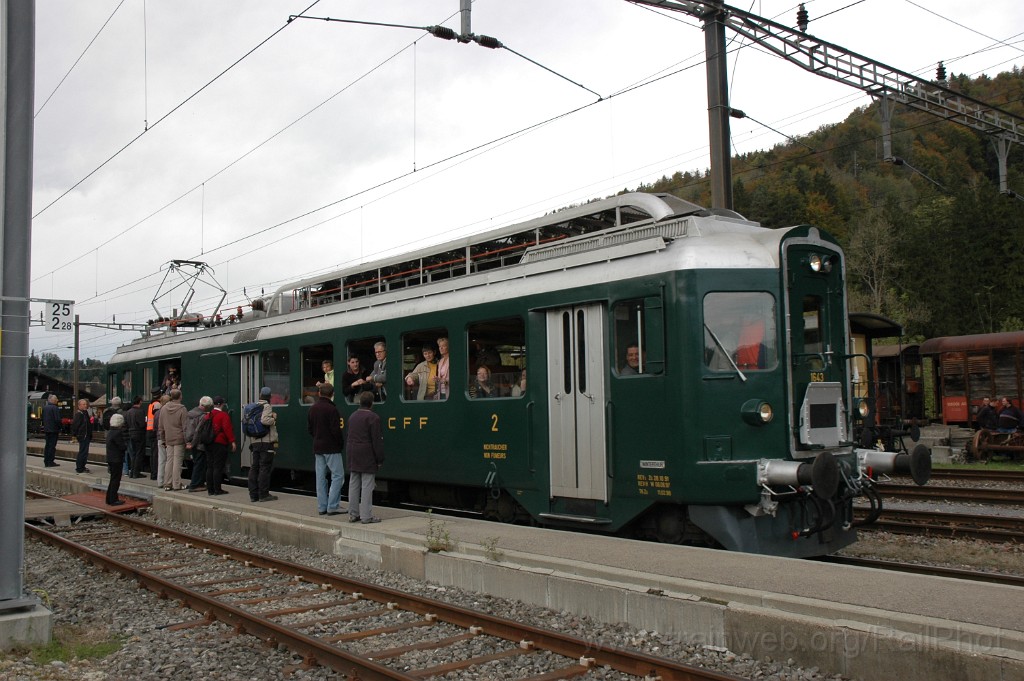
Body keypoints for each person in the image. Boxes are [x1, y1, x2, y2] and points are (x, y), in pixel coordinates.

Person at [346, 390, 384, 524]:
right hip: (367, 454)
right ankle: (366, 516)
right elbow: (377, 440)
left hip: (352, 452)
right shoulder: (373, 418)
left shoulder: (352, 416)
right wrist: (379, 459)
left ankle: (353, 514)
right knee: (367, 485)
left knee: (354, 484)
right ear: (371, 403)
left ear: (360, 402)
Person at [307, 383, 345, 516]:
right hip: (331, 447)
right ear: (332, 394)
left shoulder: (313, 409)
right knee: (338, 476)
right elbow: (336, 430)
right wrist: (340, 444)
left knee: (320, 477)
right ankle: (333, 506)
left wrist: (318, 437)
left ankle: (322, 506)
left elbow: (310, 429)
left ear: (319, 393)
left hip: (318, 446)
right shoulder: (332, 409)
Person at [246, 386, 279, 503]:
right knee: (264, 468)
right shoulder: (267, 406)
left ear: (260, 395)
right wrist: (273, 419)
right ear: (269, 397)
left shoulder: (253, 407)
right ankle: (263, 494)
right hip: (266, 441)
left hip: (255, 441)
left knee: (254, 467)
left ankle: (253, 495)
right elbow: (265, 420)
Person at [158, 389, 188, 490]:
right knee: (177, 462)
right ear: (180, 397)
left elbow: (161, 427)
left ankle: (167, 483)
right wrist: (187, 440)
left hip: (168, 438)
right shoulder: (182, 409)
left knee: (169, 461)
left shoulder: (163, 409)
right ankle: (176, 484)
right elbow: (185, 427)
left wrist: (163, 439)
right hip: (179, 438)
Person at [206, 396, 236, 495]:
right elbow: (227, 429)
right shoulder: (223, 415)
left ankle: (210, 489)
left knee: (210, 466)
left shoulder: (208, 415)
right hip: (219, 443)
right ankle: (217, 489)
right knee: (218, 467)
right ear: (221, 404)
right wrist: (232, 441)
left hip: (208, 443)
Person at [184, 396, 213, 492]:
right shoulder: (203, 416)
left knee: (197, 463)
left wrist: (187, 441)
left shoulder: (190, 413)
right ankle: (195, 485)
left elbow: (185, 429)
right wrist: (193, 443)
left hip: (190, 441)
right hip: (199, 444)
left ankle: (198, 483)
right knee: (200, 464)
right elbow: (198, 431)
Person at [104, 413, 128, 506]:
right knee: (116, 480)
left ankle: (109, 498)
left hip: (111, 458)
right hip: (116, 459)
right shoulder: (118, 433)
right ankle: (113, 499)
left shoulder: (110, 431)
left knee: (112, 479)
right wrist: (125, 445)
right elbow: (122, 446)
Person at [126, 396, 147, 478]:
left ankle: (132, 472)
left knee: (133, 453)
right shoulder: (140, 411)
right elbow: (142, 424)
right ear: (140, 402)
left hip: (131, 433)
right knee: (139, 453)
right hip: (139, 433)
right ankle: (136, 472)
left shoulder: (129, 412)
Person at [154, 394, 171, 487]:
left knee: (161, 460)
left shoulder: (157, 413)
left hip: (159, 438)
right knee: (169, 460)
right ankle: (167, 481)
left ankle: (160, 481)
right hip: (167, 438)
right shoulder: (168, 412)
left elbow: (155, 426)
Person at [71, 398, 92, 473]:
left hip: (86, 435)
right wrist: (75, 435)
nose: (85, 405)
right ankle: (79, 467)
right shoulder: (79, 414)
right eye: (83, 404)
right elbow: (75, 425)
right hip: (82, 435)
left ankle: (83, 466)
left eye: (86, 404)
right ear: (79, 405)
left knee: (85, 452)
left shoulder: (85, 413)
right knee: (82, 451)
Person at [145, 389, 162, 480]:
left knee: (153, 454)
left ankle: (153, 473)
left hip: (149, 430)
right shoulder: (157, 405)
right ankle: (155, 474)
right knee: (156, 454)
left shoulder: (151, 404)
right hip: (154, 431)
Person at [42, 393, 61, 467]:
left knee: (47, 445)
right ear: (52, 400)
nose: (57, 400)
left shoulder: (45, 408)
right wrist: (60, 427)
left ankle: (46, 461)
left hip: (47, 429)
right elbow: (57, 419)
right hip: (54, 430)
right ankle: (50, 461)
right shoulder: (55, 408)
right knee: (52, 446)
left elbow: (42, 418)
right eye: (56, 399)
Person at [435, 336, 451, 400]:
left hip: (450, 393)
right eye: (439, 346)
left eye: (443, 346)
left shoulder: (453, 359)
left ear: (449, 347)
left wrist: (444, 380)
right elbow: (440, 378)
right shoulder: (440, 361)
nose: (441, 348)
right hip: (441, 393)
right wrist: (437, 380)